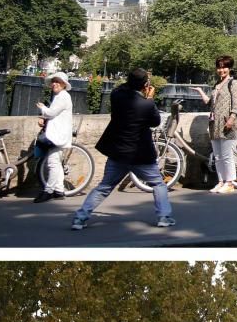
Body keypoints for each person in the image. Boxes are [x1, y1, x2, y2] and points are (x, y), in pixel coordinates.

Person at [71, 67, 176, 229]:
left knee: (104, 187)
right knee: (158, 184)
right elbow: (155, 122)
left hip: (118, 152)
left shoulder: (117, 97)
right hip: (140, 154)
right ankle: (164, 217)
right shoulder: (146, 104)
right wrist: (149, 99)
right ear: (144, 84)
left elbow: (120, 89)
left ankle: (81, 217)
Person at [196, 54, 237, 192]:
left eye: (225, 67)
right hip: (214, 123)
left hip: (226, 123)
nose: (221, 70)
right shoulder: (217, 84)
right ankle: (221, 181)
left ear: (229, 68)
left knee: (227, 155)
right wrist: (200, 91)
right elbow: (210, 103)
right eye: (219, 68)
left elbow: (236, 104)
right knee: (218, 155)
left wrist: (231, 119)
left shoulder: (233, 83)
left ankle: (230, 183)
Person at [34, 71, 74, 202]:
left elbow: (52, 113)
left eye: (58, 81)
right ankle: (59, 190)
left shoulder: (62, 96)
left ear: (64, 84)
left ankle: (48, 191)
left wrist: (42, 108)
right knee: (56, 162)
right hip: (58, 133)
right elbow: (55, 115)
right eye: (54, 81)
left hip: (58, 135)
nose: (55, 84)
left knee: (52, 163)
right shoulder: (60, 96)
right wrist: (45, 118)